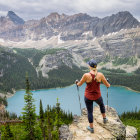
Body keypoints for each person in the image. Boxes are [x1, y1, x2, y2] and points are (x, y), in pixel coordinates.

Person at [75, 59, 110, 133]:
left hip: (88, 96)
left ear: (90, 67)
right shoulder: (100, 75)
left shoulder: (86, 75)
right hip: (97, 95)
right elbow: (107, 85)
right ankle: (104, 118)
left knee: (90, 111)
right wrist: (108, 83)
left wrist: (76, 83)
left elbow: (79, 84)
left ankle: (91, 128)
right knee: (101, 105)